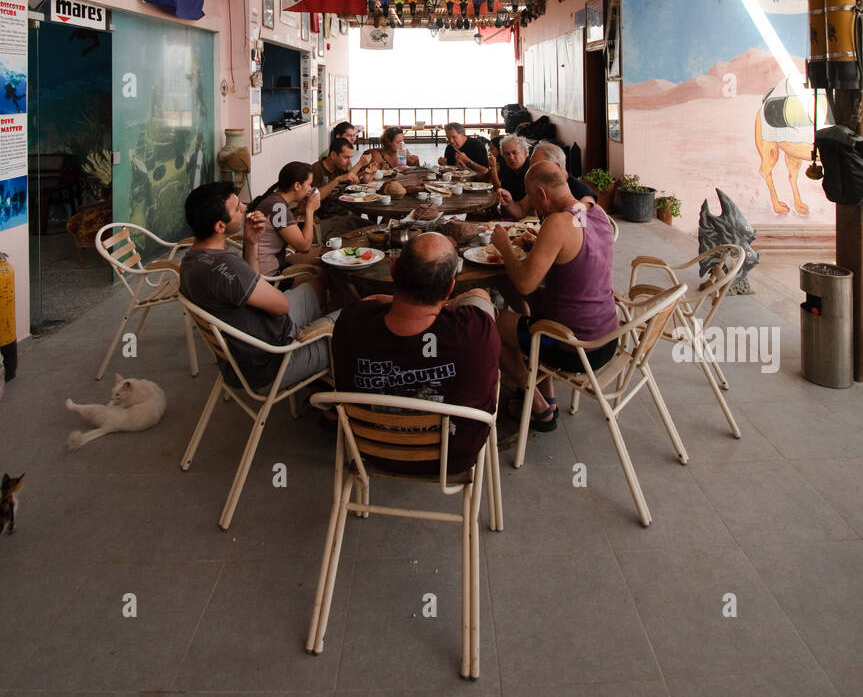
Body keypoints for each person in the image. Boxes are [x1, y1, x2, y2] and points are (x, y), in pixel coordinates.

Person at [332, 233, 501, 474]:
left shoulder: (352, 322)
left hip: (371, 451)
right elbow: (479, 300)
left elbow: (369, 302)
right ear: (450, 287)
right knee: (481, 297)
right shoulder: (476, 330)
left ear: (392, 270)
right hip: (451, 460)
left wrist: (389, 300)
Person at [493, 162, 618, 433]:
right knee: (515, 296)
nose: (534, 208)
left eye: (533, 198)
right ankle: (545, 389)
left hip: (574, 347)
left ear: (542, 193)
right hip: (607, 336)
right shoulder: (595, 213)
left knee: (489, 324)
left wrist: (504, 248)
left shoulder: (557, 222)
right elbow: (574, 257)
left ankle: (540, 408)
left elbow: (526, 283)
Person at [179, 183, 338, 393]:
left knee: (312, 285)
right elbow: (281, 306)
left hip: (247, 354)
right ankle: (331, 383)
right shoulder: (227, 267)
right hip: (273, 362)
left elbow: (250, 284)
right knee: (358, 319)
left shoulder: (192, 261)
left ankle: (319, 364)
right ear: (220, 226)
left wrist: (252, 242)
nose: (245, 207)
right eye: (237, 208)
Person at [247, 161, 322, 277]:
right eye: (309, 185)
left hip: (276, 260)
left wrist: (297, 212)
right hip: (269, 275)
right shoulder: (277, 207)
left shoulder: (273, 200)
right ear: (297, 186)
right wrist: (310, 211)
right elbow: (304, 246)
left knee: (323, 256)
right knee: (321, 273)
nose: (310, 189)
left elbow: (287, 231)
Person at [498, 140, 596, 219]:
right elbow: (521, 210)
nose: (533, 173)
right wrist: (509, 203)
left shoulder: (583, 194)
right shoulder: (542, 186)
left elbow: (584, 228)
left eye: (539, 167)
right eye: (531, 168)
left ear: (557, 167)